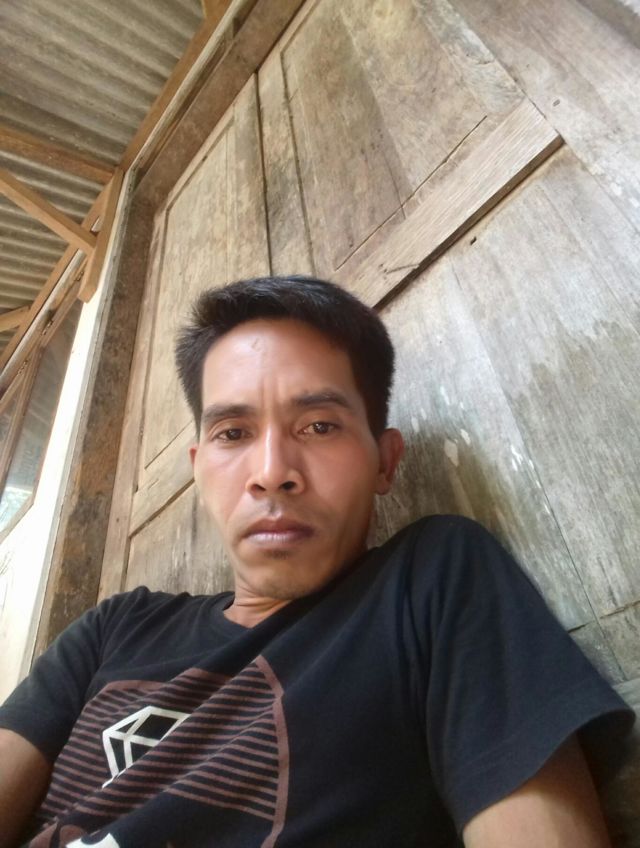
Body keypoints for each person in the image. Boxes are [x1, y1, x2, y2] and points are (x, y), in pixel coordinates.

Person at [0, 275, 633, 848]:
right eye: (232, 433)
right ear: (199, 470)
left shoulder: (428, 584)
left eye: (320, 426)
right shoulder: (114, 629)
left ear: (385, 461)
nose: (272, 472)